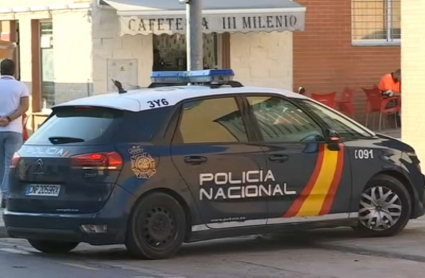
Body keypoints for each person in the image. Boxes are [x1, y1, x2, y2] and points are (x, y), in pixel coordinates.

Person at [0, 59, 29, 208]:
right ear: (14, 70)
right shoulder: (20, 87)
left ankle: (3, 193)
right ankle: (6, 195)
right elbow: (25, 106)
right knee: (10, 163)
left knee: (1, 164)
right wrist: (9, 118)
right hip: (13, 130)